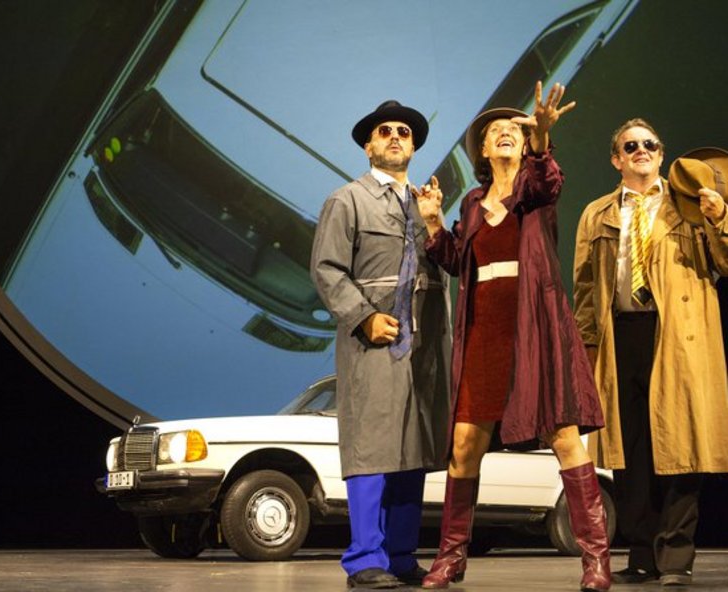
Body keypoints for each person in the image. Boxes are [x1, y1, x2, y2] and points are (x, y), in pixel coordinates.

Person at [417, 82, 611, 592]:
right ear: (482, 150)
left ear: (525, 145)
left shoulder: (535, 189)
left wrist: (542, 138)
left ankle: (595, 559)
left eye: (513, 130)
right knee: (464, 445)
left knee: (564, 437)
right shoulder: (472, 203)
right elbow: (459, 262)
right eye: (494, 131)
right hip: (484, 333)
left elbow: (548, 179)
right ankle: (451, 557)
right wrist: (435, 225)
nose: (504, 133)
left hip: (534, 329)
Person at [573, 119, 728, 587]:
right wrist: (587, 349)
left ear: (661, 155)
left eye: (649, 144)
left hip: (680, 335)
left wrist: (720, 218)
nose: (641, 150)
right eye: (630, 146)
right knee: (630, 449)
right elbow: (584, 288)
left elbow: (724, 262)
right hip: (620, 335)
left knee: (682, 446)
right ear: (616, 159)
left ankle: (675, 557)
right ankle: (642, 554)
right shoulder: (597, 214)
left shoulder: (690, 206)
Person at [310, 100, 451, 589]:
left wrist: (435, 223)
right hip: (373, 342)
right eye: (385, 131)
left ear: (413, 147)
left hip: (423, 346)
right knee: (371, 446)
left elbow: (447, 265)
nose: (395, 136)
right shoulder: (347, 200)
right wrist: (364, 318)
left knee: (414, 448)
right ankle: (364, 558)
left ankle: (400, 555)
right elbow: (327, 270)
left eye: (404, 132)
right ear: (368, 146)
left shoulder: (425, 205)